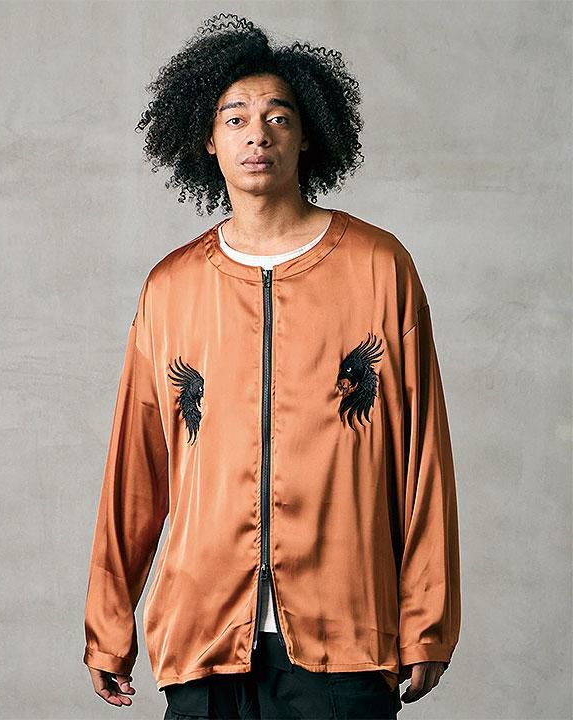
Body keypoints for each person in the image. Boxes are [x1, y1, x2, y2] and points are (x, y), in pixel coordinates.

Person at [82, 13, 461, 720]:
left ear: (308, 133)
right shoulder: (171, 287)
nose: (257, 135)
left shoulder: (379, 268)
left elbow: (424, 459)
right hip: (202, 636)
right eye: (235, 118)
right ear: (207, 138)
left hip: (346, 636)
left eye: (278, 117)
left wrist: (428, 620)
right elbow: (135, 470)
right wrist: (108, 624)